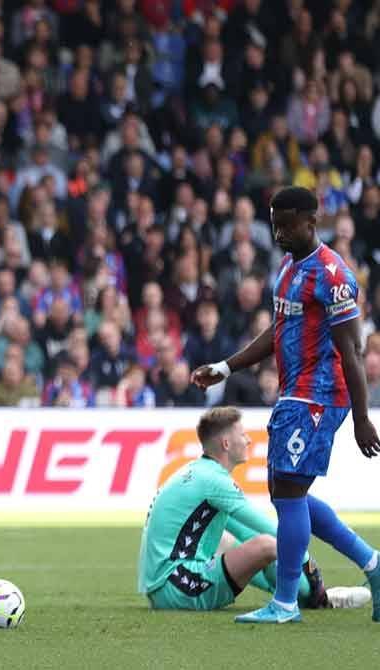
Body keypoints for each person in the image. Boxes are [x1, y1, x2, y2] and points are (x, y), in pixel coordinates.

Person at [191, 186, 380, 624]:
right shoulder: (289, 267)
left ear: (311, 222)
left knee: (289, 492)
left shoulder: (332, 275)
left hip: (317, 397)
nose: (278, 234)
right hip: (293, 394)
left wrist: (361, 416)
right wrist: (225, 367)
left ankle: (285, 603)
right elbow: (277, 332)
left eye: (286, 226)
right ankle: (372, 563)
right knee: (288, 493)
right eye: (274, 225)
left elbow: (352, 349)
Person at [138, 406, 370, 612]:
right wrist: (309, 564)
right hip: (179, 588)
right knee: (268, 544)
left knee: (230, 540)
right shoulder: (216, 482)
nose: (249, 440)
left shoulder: (197, 472)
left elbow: (244, 530)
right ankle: (316, 597)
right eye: (243, 434)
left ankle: (304, 595)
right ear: (226, 444)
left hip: (161, 585)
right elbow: (268, 529)